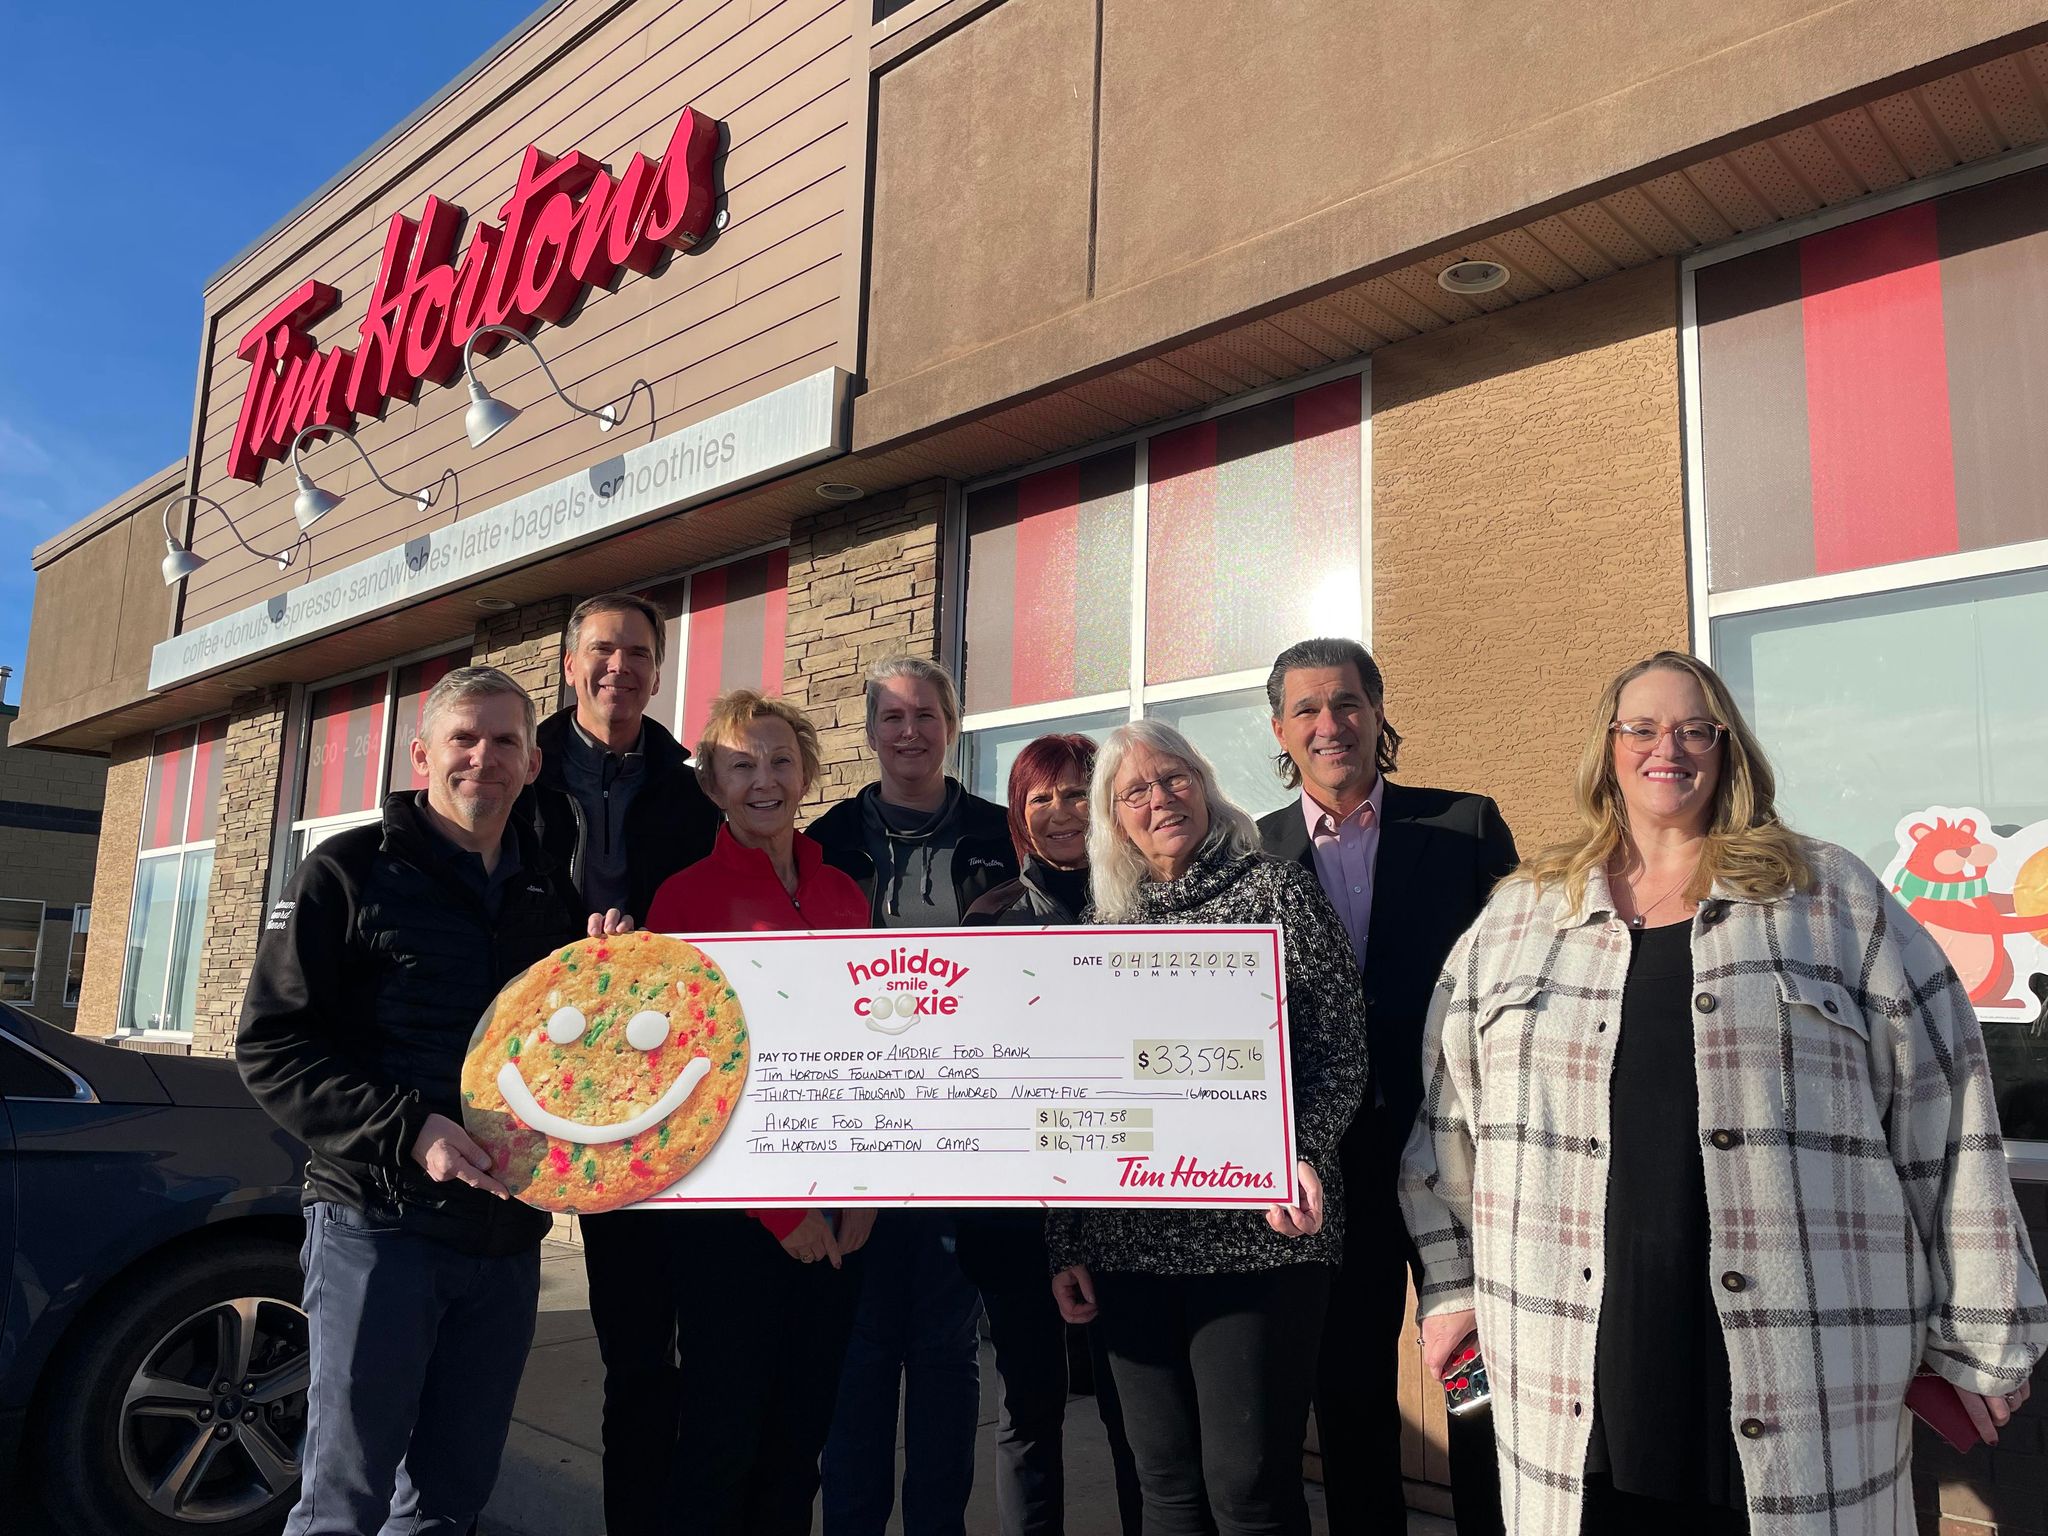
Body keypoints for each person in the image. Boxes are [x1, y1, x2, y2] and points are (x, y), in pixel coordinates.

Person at [1400, 651, 2048, 1536]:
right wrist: (1452, 1288)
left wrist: (1983, 1326)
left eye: (1694, 729)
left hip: (1803, 1352)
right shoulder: (1520, 916)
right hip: (1571, 1346)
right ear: (1607, 748)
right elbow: (1446, 1124)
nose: (1666, 748)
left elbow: (1947, 1108)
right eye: (1641, 728)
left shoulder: (1828, 898)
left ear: (1727, 748)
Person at [237, 665, 628, 1536]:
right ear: (422, 756)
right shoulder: (347, 870)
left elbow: (570, 1054)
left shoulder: (549, 891)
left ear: (533, 763)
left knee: (451, 1500)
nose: (484, 758)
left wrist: (610, 973)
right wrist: (411, 1130)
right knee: (344, 1501)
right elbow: (272, 1046)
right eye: (465, 738)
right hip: (378, 1229)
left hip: (506, 1237)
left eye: (506, 741)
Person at [1049, 718, 1367, 1536]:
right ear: (1112, 818)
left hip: (1262, 1235)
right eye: (1135, 791)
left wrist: (1301, 1151)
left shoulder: (1276, 893)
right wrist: (1067, 1240)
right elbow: (1076, 1095)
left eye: (1175, 777)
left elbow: (1339, 1047)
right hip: (1130, 1245)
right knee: (1164, 1483)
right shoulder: (1100, 931)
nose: (1160, 799)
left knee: (1249, 1484)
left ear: (1204, 784)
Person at [1254, 637, 1513, 1536]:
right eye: (1307, 709)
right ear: (1280, 730)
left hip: (1454, 1149)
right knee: (1349, 1384)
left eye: (1348, 703)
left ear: (1376, 713)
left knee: (1478, 1372)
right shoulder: (1251, 851)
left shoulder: (1464, 826)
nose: (1330, 724)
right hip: (1329, 1162)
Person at [633, 688, 874, 1533]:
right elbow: (680, 1081)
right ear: (711, 786)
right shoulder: (682, 901)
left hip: (838, 1219)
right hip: (730, 1222)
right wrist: (780, 1212)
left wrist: (864, 1192)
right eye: (741, 766)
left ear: (806, 774)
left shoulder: (845, 893)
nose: (763, 780)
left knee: (799, 1444)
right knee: (721, 1442)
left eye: (779, 761)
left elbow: (869, 1055)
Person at [520, 590, 724, 1536]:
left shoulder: (691, 789)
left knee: (700, 1352)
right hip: (556, 1088)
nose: (620, 668)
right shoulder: (520, 774)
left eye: (639, 653)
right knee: (634, 1352)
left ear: (657, 669)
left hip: (678, 1088)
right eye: (603, 650)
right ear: (570, 664)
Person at [810, 655, 1018, 1536]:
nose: (909, 732)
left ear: (951, 726)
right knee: (857, 1355)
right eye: (892, 717)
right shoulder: (822, 842)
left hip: (965, 1134)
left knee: (944, 1354)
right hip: (853, 1131)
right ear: (870, 732)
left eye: (926, 715)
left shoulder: (1003, 834)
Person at [963, 734, 1142, 1536]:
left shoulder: (1145, 906)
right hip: (1018, 1214)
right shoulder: (990, 916)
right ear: (1019, 814)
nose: (1062, 812)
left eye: (1077, 793)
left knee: (1136, 1415)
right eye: (1042, 798)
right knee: (1028, 1408)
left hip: (1130, 1204)